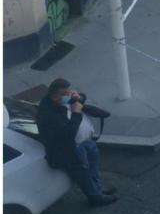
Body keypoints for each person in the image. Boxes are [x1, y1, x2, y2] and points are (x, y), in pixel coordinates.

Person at [36, 78, 117, 207]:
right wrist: (76, 113)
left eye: (70, 92)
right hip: (72, 148)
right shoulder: (48, 114)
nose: (70, 95)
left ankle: (97, 188)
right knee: (83, 172)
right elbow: (68, 133)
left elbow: (85, 99)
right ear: (57, 95)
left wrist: (79, 97)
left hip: (87, 141)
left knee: (93, 168)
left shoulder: (62, 100)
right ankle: (94, 197)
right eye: (67, 93)